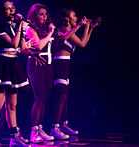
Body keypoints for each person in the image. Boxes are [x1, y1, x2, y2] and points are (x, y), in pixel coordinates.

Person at [0, 0, 31, 146]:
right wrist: (21, 25)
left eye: (12, 8)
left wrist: (24, 35)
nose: (11, 11)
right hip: (0, 66)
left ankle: (14, 137)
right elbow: (14, 43)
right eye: (7, 9)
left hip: (13, 65)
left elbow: (21, 47)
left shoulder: (12, 26)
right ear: (1, 11)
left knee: (12, 105)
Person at [50, 8, 99, 139]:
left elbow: (83, 43)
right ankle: (55, 127)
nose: (76, 17)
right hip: (60, 63)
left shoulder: (71, 30)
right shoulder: (64, 29)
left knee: (64, 97)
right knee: (61, 96)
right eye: (74, 16)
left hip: (66, 63)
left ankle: (62, 124)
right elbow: (66, 38)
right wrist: (80, 26)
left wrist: (90, 27)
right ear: (67, 18)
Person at [25, 3, 56, 143]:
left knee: (44, 97)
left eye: (45, 14)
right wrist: (50, 34)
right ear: (34, 15)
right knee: (39, 97)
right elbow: (38, 45)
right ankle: (33, 131)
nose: (44, 17)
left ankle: (39, 128)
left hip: (47, 65)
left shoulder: (43, 28)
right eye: (41, 14)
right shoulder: (30, 28)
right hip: (36, 65)